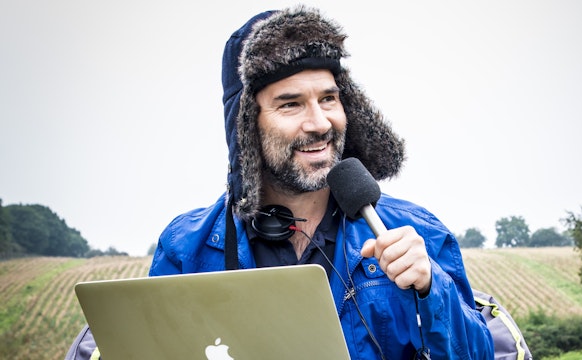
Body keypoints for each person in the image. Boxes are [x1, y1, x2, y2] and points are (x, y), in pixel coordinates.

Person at [66, 5, 494, 359]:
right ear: (247, 126)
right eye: (290, 105)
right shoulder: (186, 246)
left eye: (328, 98)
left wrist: (430, 287)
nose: (320, 122)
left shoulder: (415, 233)